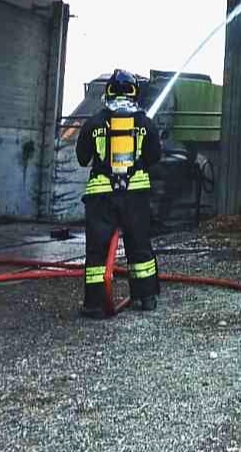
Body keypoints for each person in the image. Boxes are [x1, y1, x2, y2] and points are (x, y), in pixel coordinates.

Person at [74, 69, 163, 318]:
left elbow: (82, 159)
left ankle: (94, 304)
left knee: (97, 251)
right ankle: (146, 298)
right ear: (136, 93)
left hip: (101, 197)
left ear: (108, 91)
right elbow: (155, 157)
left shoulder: (93, 123)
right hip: (135, 195)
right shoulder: (145, 123)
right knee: (139, 246)